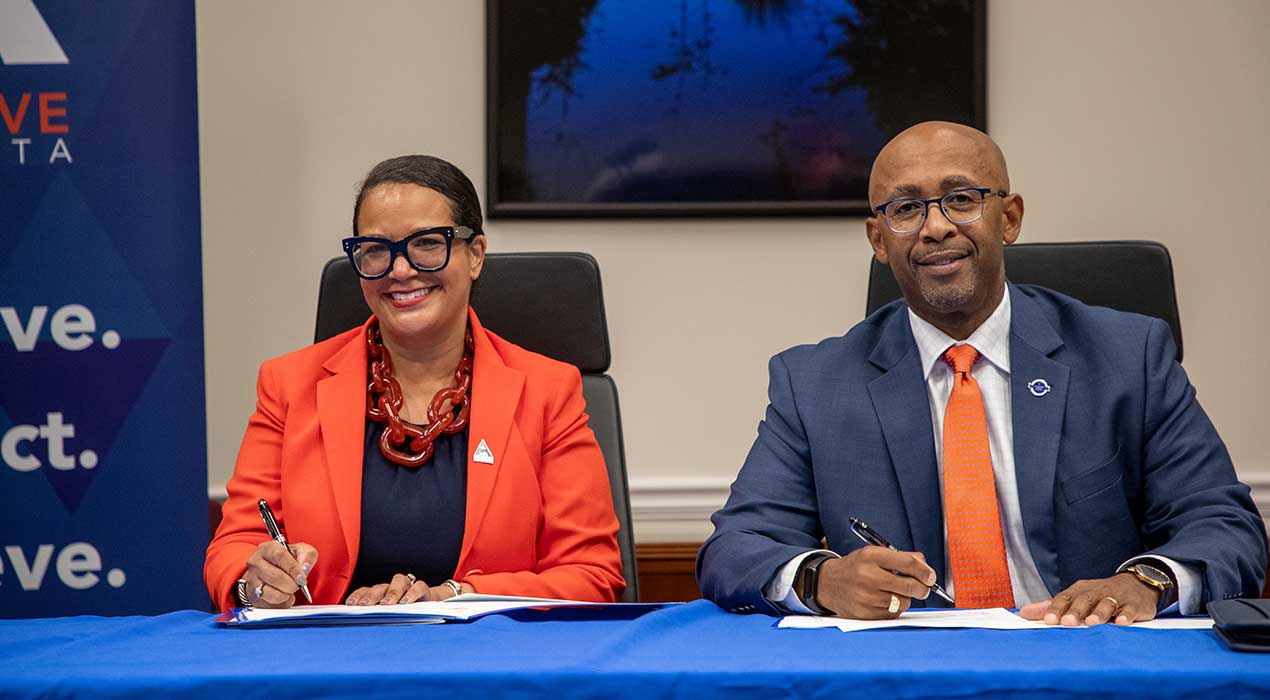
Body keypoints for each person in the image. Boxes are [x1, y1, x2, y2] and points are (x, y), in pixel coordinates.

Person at [697, 122, 1267, 625]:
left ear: (1009, 218)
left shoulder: (1127, 357)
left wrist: (1143, 584)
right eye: (905, 209)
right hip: (902, 673)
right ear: (878, 240)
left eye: (961, 199)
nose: (935, 227)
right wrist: (822, 581)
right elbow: (736, 548)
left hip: (1085, 659)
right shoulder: (814, 382)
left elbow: (1224, 525)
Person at [205, 155, 624, 611]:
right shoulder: (288, 384)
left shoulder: (549, 391)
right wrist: (255, 585)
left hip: (488, 662)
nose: (399, 270)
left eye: (427, 243)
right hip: (328, 660)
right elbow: (236, 547)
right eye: (376, 250)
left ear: (476, 255)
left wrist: (455, 597)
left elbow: (592, 574)